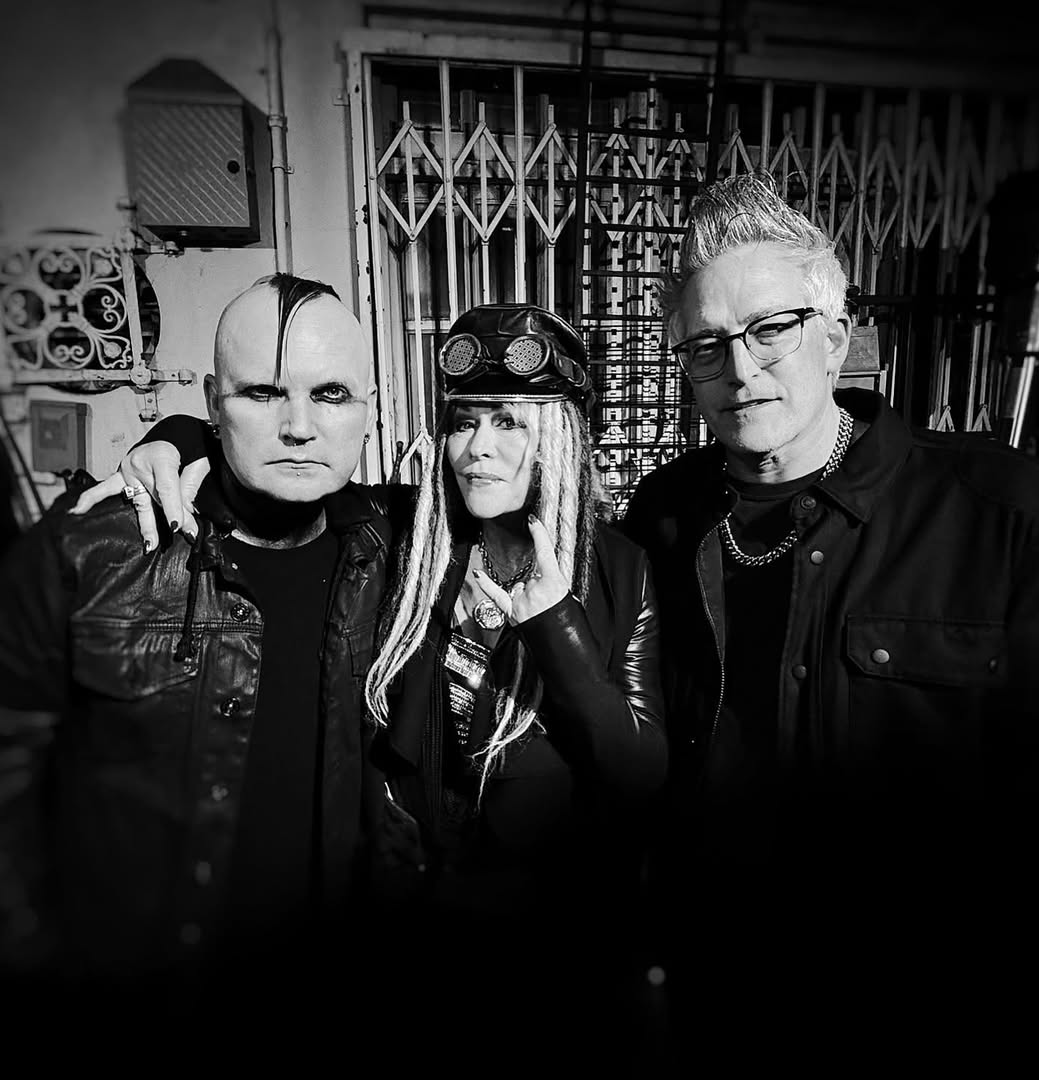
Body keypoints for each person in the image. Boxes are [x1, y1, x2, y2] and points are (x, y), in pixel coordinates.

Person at [65, 302, 670, 1072]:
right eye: (463, 422)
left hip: (545, 951)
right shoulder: (404, 531)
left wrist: (555, 624)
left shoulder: (619, 571)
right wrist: (178, 434)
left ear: (557, 435)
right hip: (402, 937)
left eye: (508, 424)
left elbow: (638, 772)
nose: (477, 448)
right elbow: (277, 470)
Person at [621, 173, 1039, 1077]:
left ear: (835, 339)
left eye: (771, 330)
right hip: (721, 995)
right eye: (707, 346)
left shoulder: (1008, 519)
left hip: (924, 1013)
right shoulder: (664, 517)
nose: (741, 370)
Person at [0, 272, 403, 1045]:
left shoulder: (391, 545)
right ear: (215, 402)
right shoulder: (87, 552)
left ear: (369, 408)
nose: (298, 427)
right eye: (262, 393)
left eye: (330, 395)